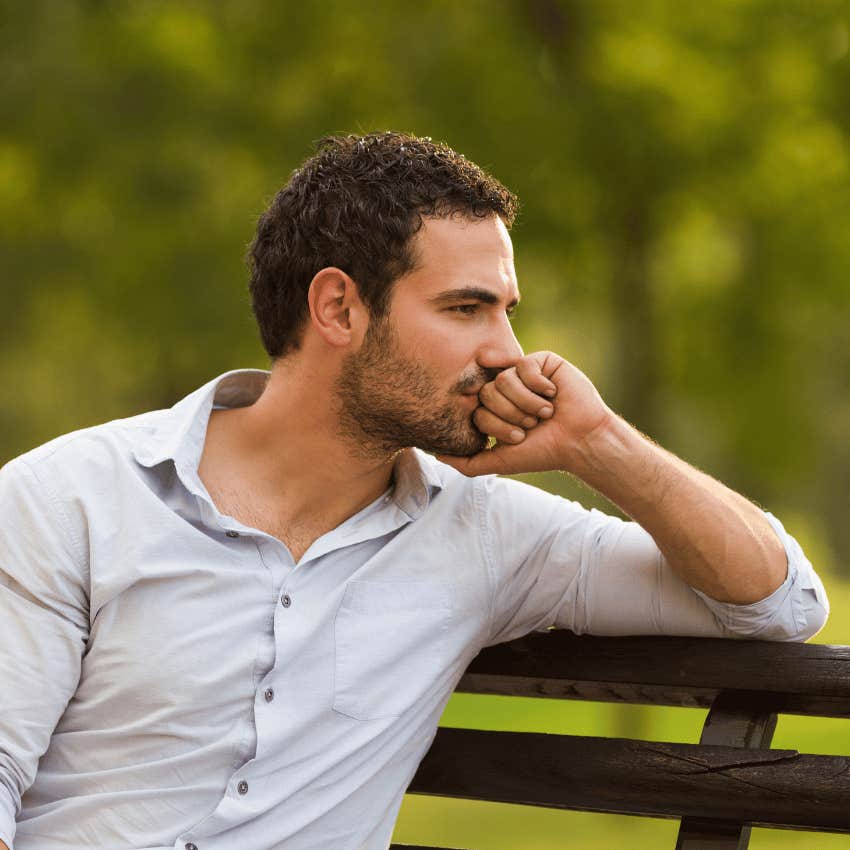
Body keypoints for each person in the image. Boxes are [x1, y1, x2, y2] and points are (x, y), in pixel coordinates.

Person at [0, 132, 828, 850]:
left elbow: (777, 601)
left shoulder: (490, 536)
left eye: (506, 311)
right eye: (467, 309)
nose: (509, 352)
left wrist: (598, 445)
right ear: (338, 309)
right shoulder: (69, 500)